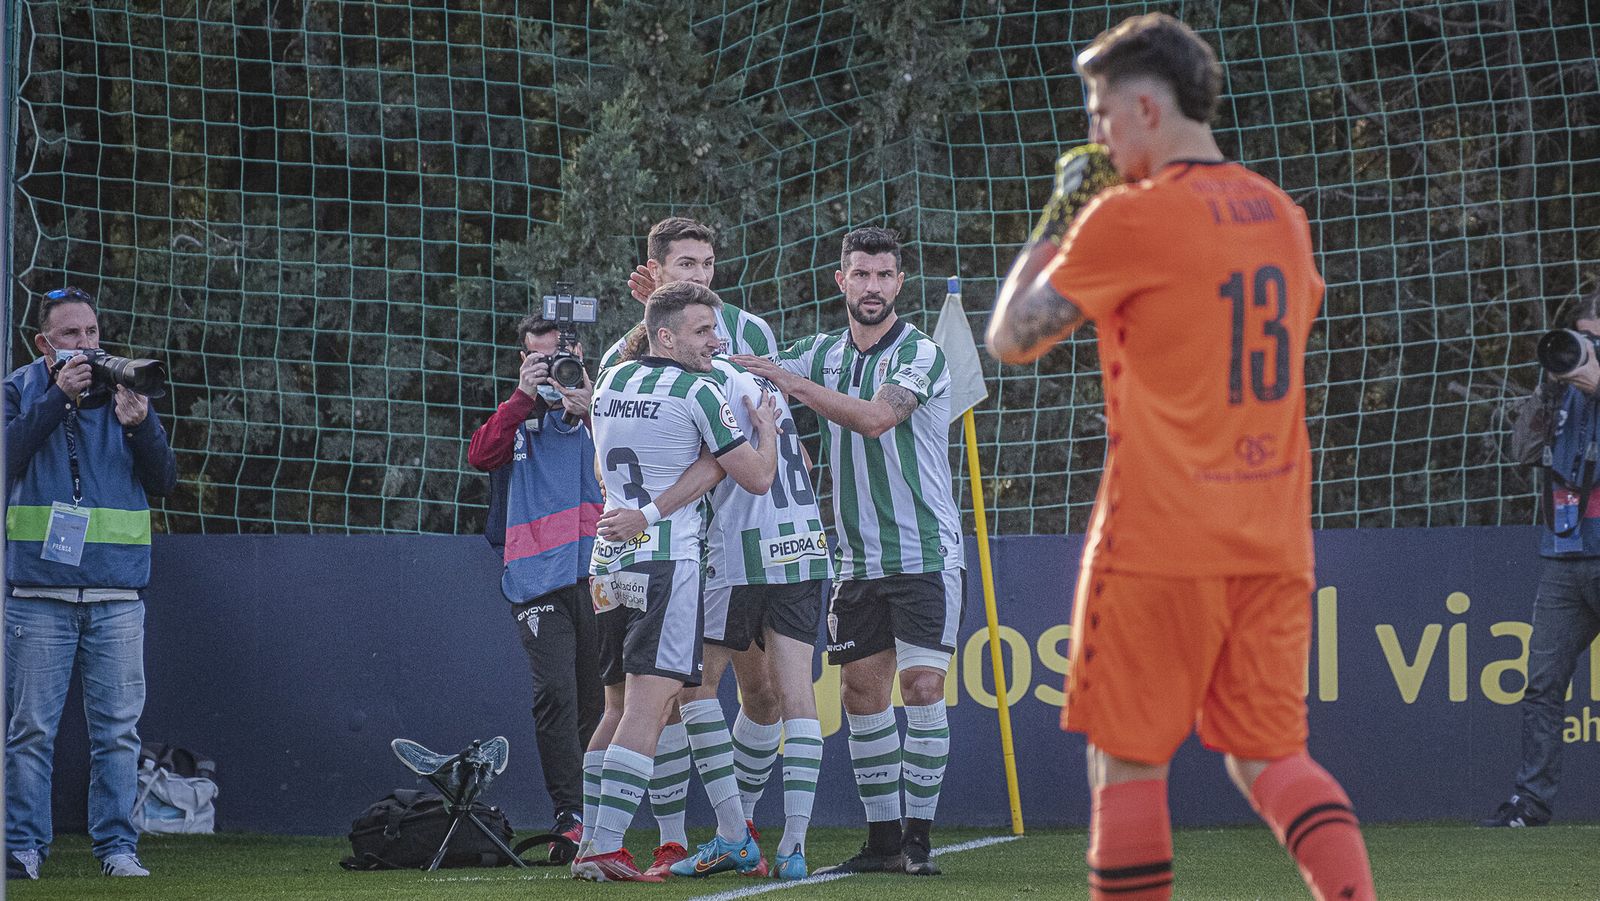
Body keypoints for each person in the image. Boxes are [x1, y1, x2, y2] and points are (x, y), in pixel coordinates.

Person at [986, 14, 1374, 901]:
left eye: (1102, 111)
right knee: (1271, 757)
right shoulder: (1281, 213)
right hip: (1270, 540)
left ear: (1149, 108)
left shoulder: (1131, 216)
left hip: (1161, 539)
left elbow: (1010, 338)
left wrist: (1059, 214)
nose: (1096, 133)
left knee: (1127, 762)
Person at [736, 226, 966, 878]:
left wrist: (792, 385)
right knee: (864, 694)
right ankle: (883, 841)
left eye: (883, 275)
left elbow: (875, 417)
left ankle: (919, 842)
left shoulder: (920, 353)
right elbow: (748, 369)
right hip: (856, 562)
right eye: (860, 275)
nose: (872, 286)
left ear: (899, 283)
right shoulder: (822, 352)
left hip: (926, 554)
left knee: (922, 686)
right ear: (842, 280)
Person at [571, 281, 779, 882]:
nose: (716, 341)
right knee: (652, 703)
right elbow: (758, 478)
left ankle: (591, 845)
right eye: (702, 331)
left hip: (607, 560)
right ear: (665, 335)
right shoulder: (701, 389)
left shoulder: (610, 382)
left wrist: (643, 504)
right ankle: (607, 848)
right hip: (666, 562)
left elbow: (602, 462)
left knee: (613, 708)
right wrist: (763, 427)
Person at [602, 344, 832, 881]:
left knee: (694, 690)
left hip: (738, 548)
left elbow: (726, 471)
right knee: (795, 693)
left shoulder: (706, 384)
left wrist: (649, 509)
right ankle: (794, 848)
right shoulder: (764, 380)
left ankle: (733, 833)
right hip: (802, 540)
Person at [4, 287, 178, 880]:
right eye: (73, 335)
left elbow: (164, 481)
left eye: (93, 332)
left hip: (118, 596)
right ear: (43, 342)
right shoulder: (18, 390)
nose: (87, 345)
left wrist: (142, 426)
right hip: (37, 595)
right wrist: (56, 398)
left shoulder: (125, 389)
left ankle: (116, 849)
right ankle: (22, 846)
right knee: (29, 732)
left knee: (118, 733)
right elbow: (7, 456)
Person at [466, 315, 603, 862]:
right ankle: (569, 815)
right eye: (538, 361)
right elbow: (479, 455)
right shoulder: (515, 417)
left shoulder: (605, 409)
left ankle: (598, 814)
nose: (550, 374)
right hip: (534, 579)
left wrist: (590, 407)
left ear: (580, 358)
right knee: (557, 695)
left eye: (557, 360)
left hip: (599, 575)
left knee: (597, 701)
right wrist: (524, 396)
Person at [1480, 289, 1600, 829]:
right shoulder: (1562, 393)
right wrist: (1549, 388)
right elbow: (1522, 455)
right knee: (1542, 683)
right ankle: (1530, 802)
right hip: (1564, 555)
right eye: (1579, 338)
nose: (1583, 349)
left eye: (1593, 340)